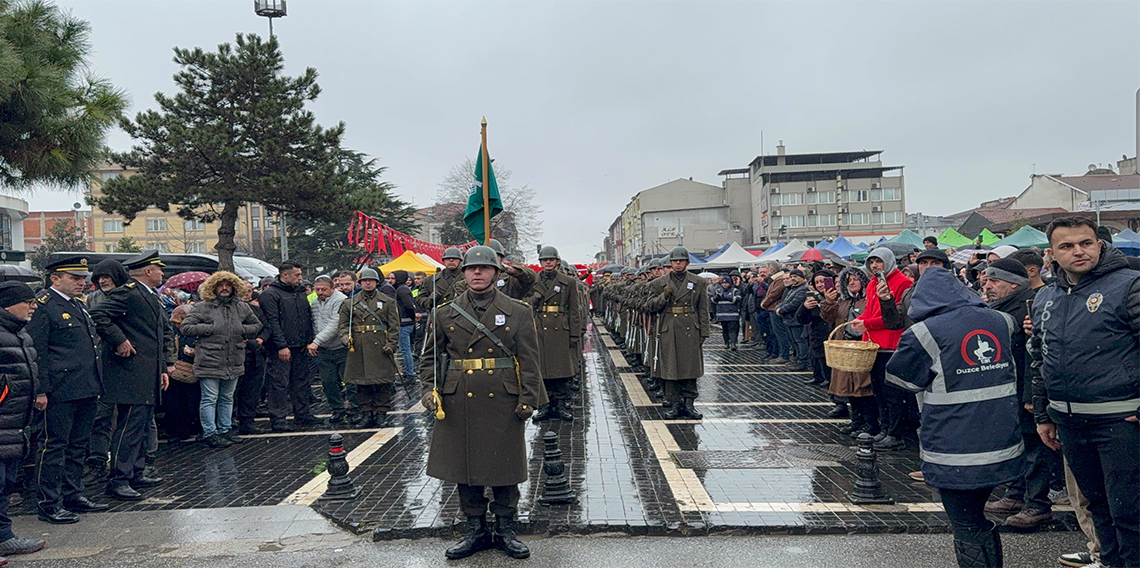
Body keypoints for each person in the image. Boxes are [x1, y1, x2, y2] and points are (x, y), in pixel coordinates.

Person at [886, 267, 1024, 568]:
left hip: (954, 446)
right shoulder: (1002, 321)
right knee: (976, 517)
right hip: (1001, 439)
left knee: (965, 523)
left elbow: (902, 380)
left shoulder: (923, 332)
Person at [419, 246, 546, 560]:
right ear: (463, 273)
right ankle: (475, 528)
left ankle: (505, 529)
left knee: (505, 466)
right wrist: (428, 390)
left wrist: (529, 398)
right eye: (471, 269)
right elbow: (430, 359)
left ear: (496, 273)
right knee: (466, 467)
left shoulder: (518, 311)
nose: (477, 273)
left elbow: (529, 360)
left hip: (503, 398)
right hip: (459, 397)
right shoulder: (445, 312)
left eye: (484, 268)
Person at [1029, 217, 1139, 568]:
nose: (1079, 251)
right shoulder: (1046, 295)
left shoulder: (1129, 284)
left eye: (1086, 243)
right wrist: (1044, 415)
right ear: (1052, 254)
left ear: (1099, 244)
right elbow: (1040, 357)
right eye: (1067, 246)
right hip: (1070, 421)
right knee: (1098, 506)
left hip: (1119, 419)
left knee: (1129, 511)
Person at [27, 257, 109, 524]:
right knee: (54, 447)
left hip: (84, 386)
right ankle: (48, 502)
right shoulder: (45, 307)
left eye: (83, 278)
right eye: (75, 278)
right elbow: (38, 351)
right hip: (59, 391)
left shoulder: (77, 306)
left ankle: (73, 494)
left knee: (77, 446)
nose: (82, 283)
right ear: (55, 279)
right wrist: (41, 390)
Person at [89, 250, 174, 501]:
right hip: (130, 372)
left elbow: (155, 337)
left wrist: (162, 368)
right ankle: (119, 479)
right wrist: (119, 340)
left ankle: (136, 472)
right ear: (148, 271)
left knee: (140, 428)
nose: (162, 273)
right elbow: (98, 315)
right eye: (159, 269)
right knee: (128, 428)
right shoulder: (127, 292)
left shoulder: (148, 295)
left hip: (147, 371)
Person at [977, 259, 1054, 530]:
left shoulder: (1028, 306)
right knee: (1017, 443)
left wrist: (1032, 395)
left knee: (1033, 447)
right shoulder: (1002, 307)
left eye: (995, 281)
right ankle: (1015, 494)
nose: (988, 286)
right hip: (1008, 389)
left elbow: (1030, 356)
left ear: (1013, 283)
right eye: (987, 281)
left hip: (1026, 389)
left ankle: (1037, 504)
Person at [180, 271, 262, 449]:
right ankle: (209, 432)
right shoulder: (203, 307)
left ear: (234, 287)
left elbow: (257, 325)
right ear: (213, 287)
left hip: (233, 358)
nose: (224, 288)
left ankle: (225, 429)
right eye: (220, 285)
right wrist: (209, 328)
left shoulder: (242, 307)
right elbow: (185, 327)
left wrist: (240, 329)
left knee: (227, 397)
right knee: (209, 397)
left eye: (228, 284)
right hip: (209, 359)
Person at [0, 282, 48, 558]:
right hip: (6, 417)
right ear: (9, 304)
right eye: (28, 302)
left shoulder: (20, 333)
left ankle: (4, 536)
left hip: (15, 422)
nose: (33, 307)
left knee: (5, 483)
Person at [850, 247, 914, 452]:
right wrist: (860, 321)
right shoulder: (873, 284)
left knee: (892, 392)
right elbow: (870, 311)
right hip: (873, 344)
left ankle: (896, 433)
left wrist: (867, 323)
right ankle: (885, 427)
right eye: (872, 262)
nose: (875, 266)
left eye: (879, 261)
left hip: (891, 344)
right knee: (878, 390)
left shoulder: (903, 283)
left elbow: (895, 317)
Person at [644, 247, 710, 420]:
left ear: (687, 262)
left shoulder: (698, 282)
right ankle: (674, 404)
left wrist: (704, 332)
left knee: (690, 368)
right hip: (669, 327)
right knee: (671, 369)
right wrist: (664, 296)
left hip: (690, 327)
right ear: (670, 263)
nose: (678, 263)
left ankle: (689, 404)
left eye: (681, 260)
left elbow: (703, 309)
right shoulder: (658, 283)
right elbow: (648, 306)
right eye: (675, 261)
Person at [259, 261, 319, 432]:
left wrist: (308, 339)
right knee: (279, 384)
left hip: (300, 345)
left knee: (301, 381)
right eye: (297, 275)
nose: (301, 278)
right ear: (285, 275)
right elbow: (272, 322)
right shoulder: (270, 294)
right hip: (281, 347)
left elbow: (306, 317)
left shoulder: (299, 292)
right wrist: (281, 345)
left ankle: (302, 414)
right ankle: (278, 419)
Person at [337, 268, 400, 428]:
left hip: (380, 346)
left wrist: (391, 344)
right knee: (361, 383)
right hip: (358, 347)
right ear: (359, 283)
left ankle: (381, 413)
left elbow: (394, 326)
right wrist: (345, 338)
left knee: (382, 383)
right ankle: (366, 413)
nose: (368, 283)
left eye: (371, 280)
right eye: (365, 280)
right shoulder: (349, 303)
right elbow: (343, 325)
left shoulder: (388, 301)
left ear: (377, 283)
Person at [84, 259, 129, 478]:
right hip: (102, 362)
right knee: (100, 416)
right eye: (99, 278)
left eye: (106, 277)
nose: (102, 281)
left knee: (134, 416)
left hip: (131, 363)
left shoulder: (132, 295)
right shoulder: (93, 299)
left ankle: (139, 460)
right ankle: (97, 460)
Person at [821, 266, 877, 434]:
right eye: (849, 280)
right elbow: (828, 318)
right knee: (849, 388)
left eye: (856, 279)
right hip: (845, 350)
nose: (852, 282)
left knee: (864, 388)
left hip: (862, 349)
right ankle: (857, 420)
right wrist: (828, 302)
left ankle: (870, 422)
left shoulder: (869, 299)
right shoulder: (843, 301)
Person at [528, 246, 581, 421]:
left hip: (560, 329)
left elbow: (574, 310)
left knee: (562, 370)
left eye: (551, 259)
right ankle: (544, 406)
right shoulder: (533, 281)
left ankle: (561, 405)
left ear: (557, 261)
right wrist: (533, 300)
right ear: (541, 262)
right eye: (544, 260)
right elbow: (523, 304)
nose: (548, 262)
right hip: (539, 328)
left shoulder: (568, 282)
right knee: (542, 370)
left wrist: (574, 334)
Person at [308, 276, 351, 424]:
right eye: (318, 289)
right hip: (325, 350)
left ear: (332, 288)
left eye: (324, 289)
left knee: (350, 380)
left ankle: (355, 409)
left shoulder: (340, 300)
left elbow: (336, 323)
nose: (320, 292)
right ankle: (337, 409)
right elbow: (315, 323)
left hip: (341, 347)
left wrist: (316, 341)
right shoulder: (315, 303)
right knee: (328, 382)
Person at [234, 288, 271, 435]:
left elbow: (267, 327)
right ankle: (230, 422)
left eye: (249, 291)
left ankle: (247, 421)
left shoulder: (255, 310)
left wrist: (260, 340)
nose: (246, 294)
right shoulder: (229, 310)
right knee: (233, 392)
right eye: (243, 290)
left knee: (252, 391)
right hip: (236, 356)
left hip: (255, 356)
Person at [797, 269, 837, 387]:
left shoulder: (838, 296)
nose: (820, 285)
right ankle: (819, 376)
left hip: (832, 335)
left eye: (823, 281)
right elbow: (802, 319)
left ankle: (829, 380)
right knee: (817, 357)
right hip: (817, 335)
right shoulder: (814, 298)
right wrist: (804, 307)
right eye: (817, 282)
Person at [776, 269, 809, 371]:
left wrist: (781, 310)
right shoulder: (793, 288)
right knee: (794, 342)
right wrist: (778, 308)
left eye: (795, 276)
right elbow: (785, 301)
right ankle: (797, 359)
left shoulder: (803, 289)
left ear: (801, 277)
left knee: (800, 341)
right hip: (789, 320)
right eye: (792, 276)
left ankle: (803, 361)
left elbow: (794, 303)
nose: (793, 278)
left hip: (796, 320)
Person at [390, 270, 418, 382]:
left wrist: (411, 317)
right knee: (405, 349)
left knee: (405, 350)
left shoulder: (402, 290)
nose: (391, 281)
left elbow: (409, 306)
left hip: (405, 324)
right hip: (405, 322)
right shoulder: (401, 289)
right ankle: (409, 372)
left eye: (393, 278)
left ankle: (410, 373)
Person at [712, 276, 742, 350]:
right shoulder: (718, 290)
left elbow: (737, 299)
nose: (725, 285)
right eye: (723, 283)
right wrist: (717, 297)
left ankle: (733, 343)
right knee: (725, 329)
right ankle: (726, 342)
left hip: (732, 314)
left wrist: (725, 296)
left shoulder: (735, 290)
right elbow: (713, 300)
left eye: (726, 283)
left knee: (733, 329)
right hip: (722, 314)